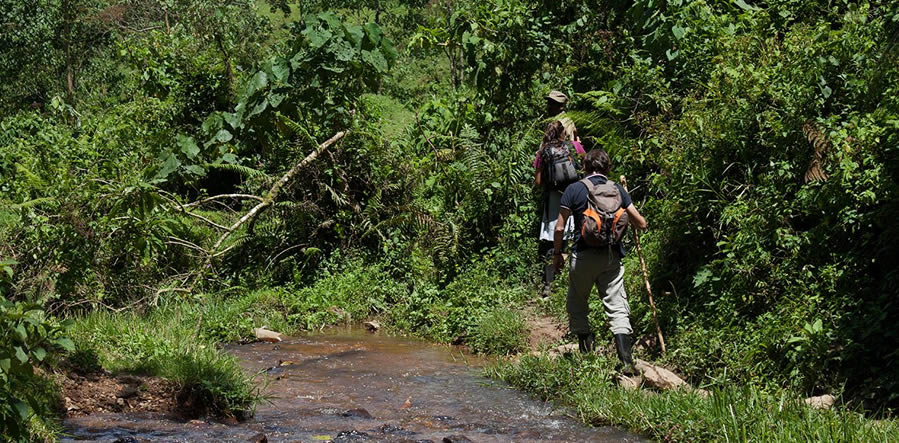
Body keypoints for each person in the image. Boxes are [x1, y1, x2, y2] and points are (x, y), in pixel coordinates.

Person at [552, 148, 647, 374]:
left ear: (584, 167)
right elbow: (641, 223)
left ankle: (587, 356)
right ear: (607, 168)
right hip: (611, 258)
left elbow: (559, 227)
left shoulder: (574, 190)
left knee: (577, 304)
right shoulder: (618, 190)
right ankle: (626, 362)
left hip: (582, 256)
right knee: (617, 308)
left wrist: (557, 254)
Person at [534, 121, 584, 298]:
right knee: (573, 237)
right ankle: (572, 282)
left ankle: (549, 284)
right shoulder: (575, 146)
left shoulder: (543, 152)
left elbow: (538, 182)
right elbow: (584, 167)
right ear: (564, 133)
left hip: (554, 198)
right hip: (575, 196)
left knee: (551, 239)